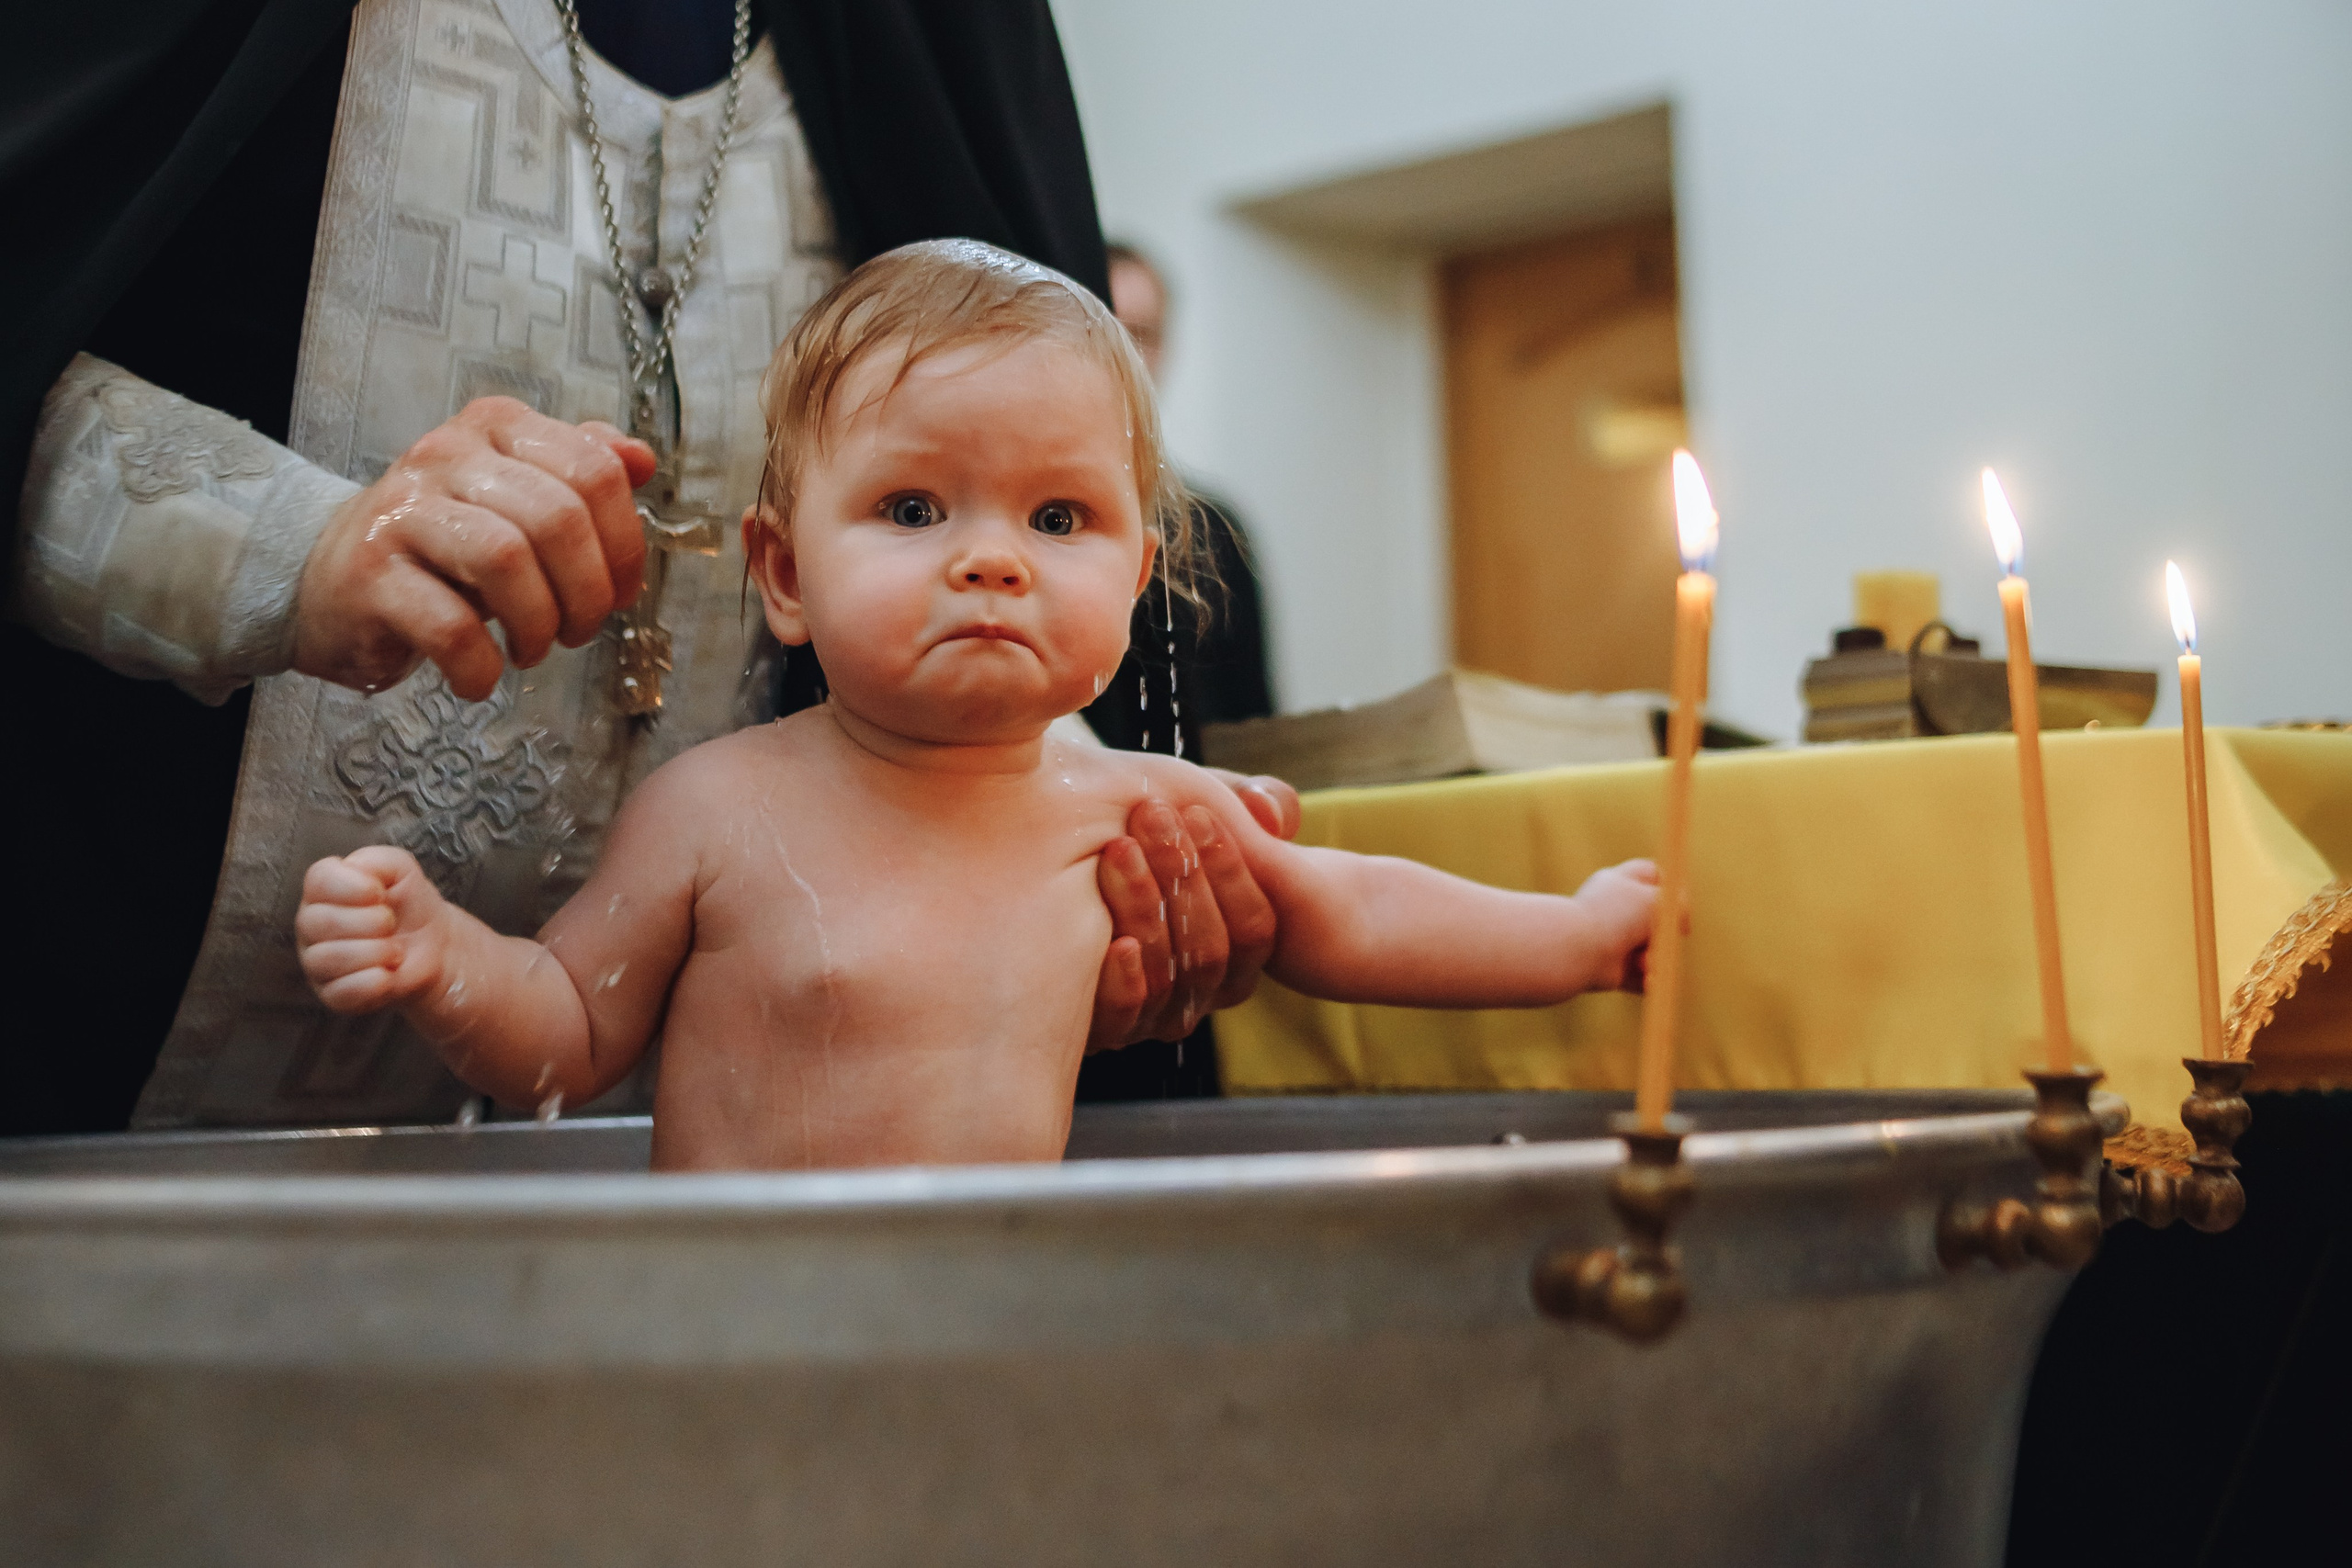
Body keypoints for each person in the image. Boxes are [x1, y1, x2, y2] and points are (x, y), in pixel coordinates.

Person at [1, 0, 1293, 1135]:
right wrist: (285, 545)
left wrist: (1077, 882)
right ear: (777, 569)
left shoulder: (934, 29)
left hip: (728, 1163)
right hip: (124, 1061)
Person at [290, 242, 1659, 1168]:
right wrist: (442, 957)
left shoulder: (1131, 808)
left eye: (1058, 518)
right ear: (784, 574)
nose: (993, 559)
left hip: (989, 1315)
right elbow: (568, 1033)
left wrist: (1581, 935)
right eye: (913, 508)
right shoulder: (714, 809)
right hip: (734, 1327)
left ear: (1135, 577)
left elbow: (1357, 908)